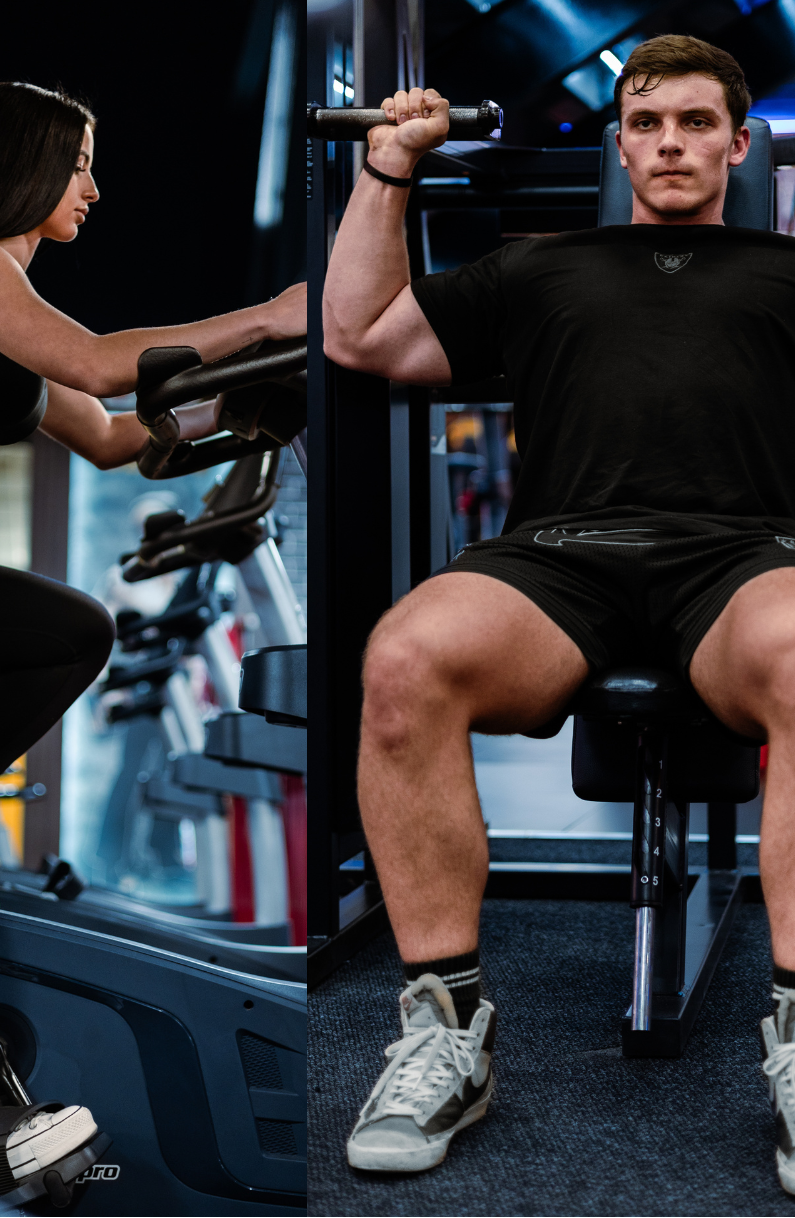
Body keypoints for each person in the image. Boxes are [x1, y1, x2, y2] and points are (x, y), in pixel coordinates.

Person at [323, 33, 795, 1190]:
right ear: (619, 142)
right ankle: (445, 1031)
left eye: (694, 124)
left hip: (747, 556)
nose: (670, 143)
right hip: (560, 558)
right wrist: (388, 167)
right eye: (646, 123)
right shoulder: (543, 267)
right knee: (406, 654)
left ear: (741, 147)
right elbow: (358, 335)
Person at [0, 80, 305, 1198]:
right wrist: (271, 314)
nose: (93, 185)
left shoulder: (6, 333)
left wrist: (249, 404)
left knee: (71, 630)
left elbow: (122, 435)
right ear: (28, 166)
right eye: (80, 162)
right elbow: (100, 363)